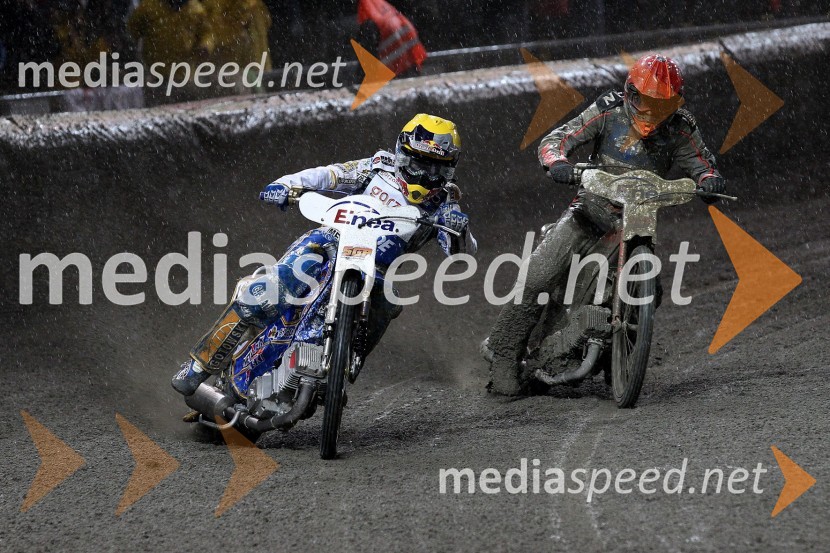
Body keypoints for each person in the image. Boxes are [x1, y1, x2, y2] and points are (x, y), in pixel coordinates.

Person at [172, 114, 477, 395]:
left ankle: (342, 365)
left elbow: (462, 252)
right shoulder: (377, 168)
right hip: (330, 240)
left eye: (436, 169)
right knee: (268, 290)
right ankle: (199, 366)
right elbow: (331, 176)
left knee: (388, 301)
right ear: (402, 154)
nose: (424, 175)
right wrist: (287, 184)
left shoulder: (445, 205)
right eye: (418, 164)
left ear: (449, 169)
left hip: (375, 268)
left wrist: (459, 230)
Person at [483, 54, 726, 395]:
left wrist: (710, 181)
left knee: (651, 292)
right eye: (646, 102)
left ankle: (618, 357)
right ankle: (505, 355)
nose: (652, 112)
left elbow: (704, 165)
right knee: (539, 274)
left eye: (662, 105)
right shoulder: (608, 109)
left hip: (637, 220)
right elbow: (557, 140)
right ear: (630, 93)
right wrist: (558, 163)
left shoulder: (682, 127)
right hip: (588, 212)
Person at [356, 0, 427, 76]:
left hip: (396, 68)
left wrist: (359, 77)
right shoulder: (387, 10)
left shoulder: (369, 23)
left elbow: (367, 60)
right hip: (410, 59)